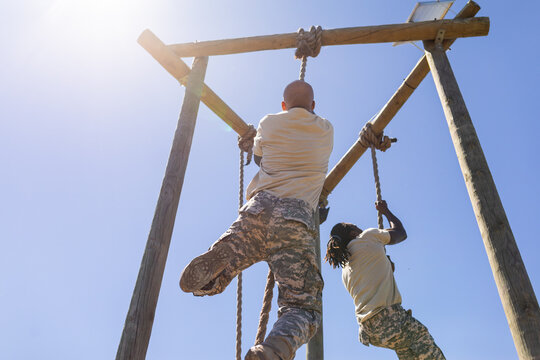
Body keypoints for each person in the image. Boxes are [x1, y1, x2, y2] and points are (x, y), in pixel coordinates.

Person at [180, 80, 333, 360]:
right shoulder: (325, 129)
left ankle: (218, 265)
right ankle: (273, 350)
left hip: (258, 209)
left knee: (234, 252)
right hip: (294, 219)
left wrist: (253, 144)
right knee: (303, 307)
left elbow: (260, 160)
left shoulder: (270, 122)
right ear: (313, 106)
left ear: (283, 105)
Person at [325, 200, 446, 360]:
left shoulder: (345, 270)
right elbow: (401, 233)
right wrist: (385, 211)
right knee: (422, 338)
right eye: (355, 226)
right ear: (353, 233)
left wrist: (386, 264)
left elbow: (374, 278)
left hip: (370, 331)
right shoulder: (367, 237)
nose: (360, 228)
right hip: (389, 319)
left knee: (406, 349)